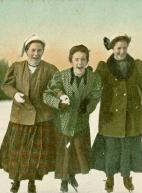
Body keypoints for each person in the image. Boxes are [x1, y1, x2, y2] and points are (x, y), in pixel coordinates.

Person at [91, 34, 142, 193]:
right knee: (111, 148)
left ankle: (126, 176)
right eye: (118, 48)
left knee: (127, 147)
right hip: (110, 115)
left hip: (131, 115)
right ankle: (110, 178)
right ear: (112, 49)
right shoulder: (104, 67)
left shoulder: (137, 65)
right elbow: (94, 88)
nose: (121, 51)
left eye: (124, 48)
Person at [0, 34, 58, 193]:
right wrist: (15, 94)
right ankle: (15, 181)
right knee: (18, 153)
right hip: (19, 118)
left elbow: (57, 88)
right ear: (26, 51)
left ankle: (32, 182)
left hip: (41, 118)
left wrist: (61, 96)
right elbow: (6, 85)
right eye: (33, 50)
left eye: (39, 50)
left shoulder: (50, 69)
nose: (36, 54)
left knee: (35, 154)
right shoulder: (17, 67)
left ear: (43, 51)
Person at [43, 44, 102, 193]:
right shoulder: (61, 76)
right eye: (76, 59)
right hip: (63, 122)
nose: (80, 63)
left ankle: (72, 174)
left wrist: (88, 106)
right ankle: (63, 180)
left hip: (81, 122)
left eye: (83, 59)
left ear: (87, 61)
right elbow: (46, 94)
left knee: (78, 151)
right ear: (71, 60)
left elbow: (96, 97)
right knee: (64, 152)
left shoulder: (94, 79)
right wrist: (58, 103)